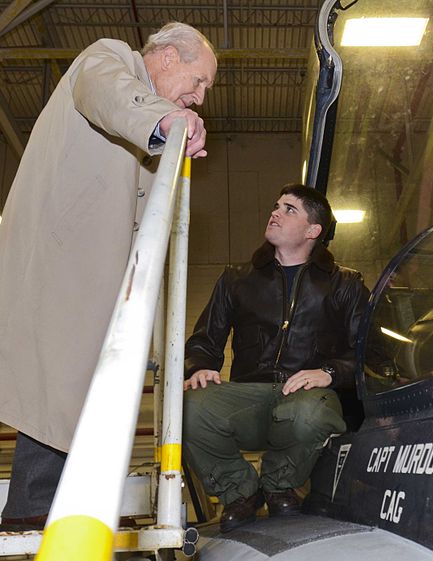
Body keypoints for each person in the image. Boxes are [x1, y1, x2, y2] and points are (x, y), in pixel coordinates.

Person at [0, 22, 217, 531]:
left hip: (91, 280)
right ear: (165, 56)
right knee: (62, 390)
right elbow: (107, 92)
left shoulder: (142, 122)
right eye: (199, 79)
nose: (201, 96)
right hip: (61, 264)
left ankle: (40, 509)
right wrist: (167, 121)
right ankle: (32, 510)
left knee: (72, 394)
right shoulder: (109, 58)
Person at [182, 184, 369, 533]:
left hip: (307, 399)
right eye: (276, 205)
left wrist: (329, 372)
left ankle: (280, 484)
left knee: (310, 411)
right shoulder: (236, 279)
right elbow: (204, 340)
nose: (275, 213)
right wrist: (200, 365)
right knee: (188, 407)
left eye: (289, 209)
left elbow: (368, 352)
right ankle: (241, 491)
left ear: (313, 231)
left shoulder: (345, 284)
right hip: (249, 398)